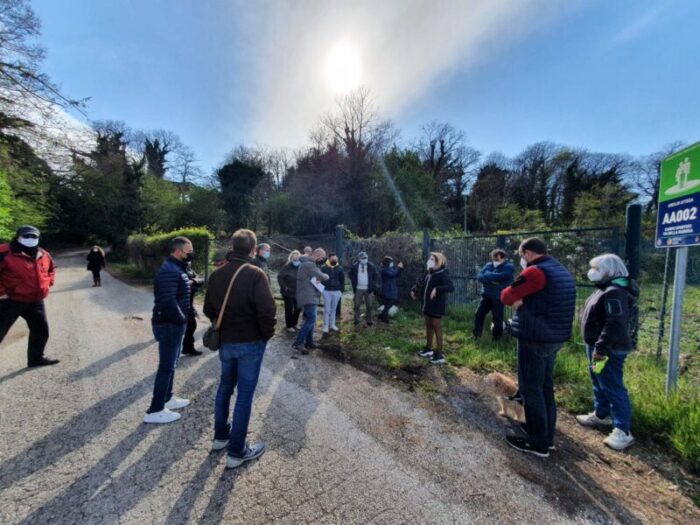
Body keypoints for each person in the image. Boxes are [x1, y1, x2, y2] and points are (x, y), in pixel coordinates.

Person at [204, 229, 276, 469]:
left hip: (226, 340)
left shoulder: (217, 274)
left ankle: (220, 436)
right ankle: (237, 451)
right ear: (254, 249)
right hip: (250, 341)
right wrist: (266, 334)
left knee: (225, 386)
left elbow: (208, 309)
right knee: (245, 394)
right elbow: (267, 310)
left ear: (233, 247)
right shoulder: (256, 274)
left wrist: (223, 324)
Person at [500, 238, 575, 457]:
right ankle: (545, 434)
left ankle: (537, 442)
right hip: (554, 337)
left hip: (535, 337)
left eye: (522, 255)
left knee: (531, 388)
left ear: (528, 253)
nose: (521, 260)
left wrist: (519, 299)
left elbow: (506, 295)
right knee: (544, 388)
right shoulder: (560, 270)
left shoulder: (535, 272)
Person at [576, 254, 638, 451]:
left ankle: (623, 430)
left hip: (608, 348)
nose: (592, 272)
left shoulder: (615, 291)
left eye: (596, 268)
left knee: (612, 385)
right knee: (598, 379)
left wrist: (601, 348)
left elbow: (615, 323)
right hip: (598, 346)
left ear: (609, 270)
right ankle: (601, 414)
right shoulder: (606, 288)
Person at [143, 236, 193, 424]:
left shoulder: (176, 268)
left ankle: (168, 398)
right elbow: (167, 300)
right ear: (179, 251)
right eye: (189, 250)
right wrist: (181, 319)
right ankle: (155, 410)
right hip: (169, 324)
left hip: (174, 324)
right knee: (166, 367)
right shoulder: (170, 270)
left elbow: (177, 294)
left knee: (172, 363)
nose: (191, 253)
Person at [0, 225, 59, 368]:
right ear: (18, 236)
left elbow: (51, 270)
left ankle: (36, 359)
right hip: (10, 300)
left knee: (41, 330)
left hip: (35, 300)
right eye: (26, 236)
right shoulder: (3, 252)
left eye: (34, 236)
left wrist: (47, 283)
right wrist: (2, 292)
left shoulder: (43, 254)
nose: (30, 239)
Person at [413, 252, 454, 365]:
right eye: (429, 258)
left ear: (438, 262)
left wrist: (437, 289)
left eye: (432, 259)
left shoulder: (442, 274)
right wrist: (414, 289)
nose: (429, 261)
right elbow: (421, 282)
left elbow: (450, 287)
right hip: (427, 305)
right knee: (428, 326)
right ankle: (428, 348)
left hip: (437, 306)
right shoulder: (429, 272)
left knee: (437, 328)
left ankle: (439, 354)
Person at [292, 248, 329, 356]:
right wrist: (326, 275)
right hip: (308, 296)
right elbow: (322, 276)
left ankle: (309, 342)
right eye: (322, 257)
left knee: (311, 319)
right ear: (317, 255)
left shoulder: (307, 264)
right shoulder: (309, 265)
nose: (322, 260)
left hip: (309, 295)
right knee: (311, 318)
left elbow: (315, 278)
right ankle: (298, 342)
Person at [473, 249, 515, 340]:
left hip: (498, 297)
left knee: (497, 318)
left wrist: (487, 276)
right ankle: (476, 335)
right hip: (486, 295)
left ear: (502, 257)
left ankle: (496, 338)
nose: (494, 261)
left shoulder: (509, 267)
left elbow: (501, 277)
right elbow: (480, 276)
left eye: (496, 258)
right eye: (493, 258)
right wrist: (493, 281)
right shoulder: (489, 265)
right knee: (479, 314)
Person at [349, 251, 379, 327]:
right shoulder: (355, 266)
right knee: (356, 305)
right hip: (358, 288)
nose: (364, 259)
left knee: (369, 306)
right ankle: (357, 320)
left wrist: (373, 284)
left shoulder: (371, 266)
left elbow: (376, 276)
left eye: (366, 258)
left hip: (368, 289)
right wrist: (354, 281)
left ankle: (369, 320)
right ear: (359, 258)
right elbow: (350, 274)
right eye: (362, 258)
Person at [182, 260, 204, 356]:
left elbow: (201, 279)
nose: (189, 262)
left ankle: (187, 347)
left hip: (189, 303)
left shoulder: (190, 270)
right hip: (181, 303)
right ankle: (185, 348)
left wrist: (194, 281)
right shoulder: (178, 270)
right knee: (187, 326)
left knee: (191, 325)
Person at [277, 250, 302, 333]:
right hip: (287, 292)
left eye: (298, 259)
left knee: (298, 308)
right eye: (294, 259)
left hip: (298, 292)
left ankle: (294, 323)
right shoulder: (287, 267)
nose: (296, 261)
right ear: (291, 259)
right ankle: (289, 325)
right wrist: (284, 287)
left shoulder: (301, 267)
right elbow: (280, 277)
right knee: (289, 309)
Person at [321, 252, 345, 335]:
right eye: (333, 258)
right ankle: (325, 326)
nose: (334, 259)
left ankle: (332, 324)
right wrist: (322, 290)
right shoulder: (323, 268)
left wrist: (340, 291)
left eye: (336, 258)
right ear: (329, 259)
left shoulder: (340, 268)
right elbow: (320, 279)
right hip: (326, 291)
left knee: (333, 309)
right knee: (327, 309)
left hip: (336, 292)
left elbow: (342, 280)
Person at [379, 256, 403, 323]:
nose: (392, 263)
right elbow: (393, 274)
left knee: (388, 304)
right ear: (388, 262)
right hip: (387, 289)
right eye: (391, 262)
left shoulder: (390, 268)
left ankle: (382, 316)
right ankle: (385, 319)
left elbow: (396, 274)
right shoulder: (384, 270)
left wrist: (400, 269)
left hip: (391, 289)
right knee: (388, 304)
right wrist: (398, 268)